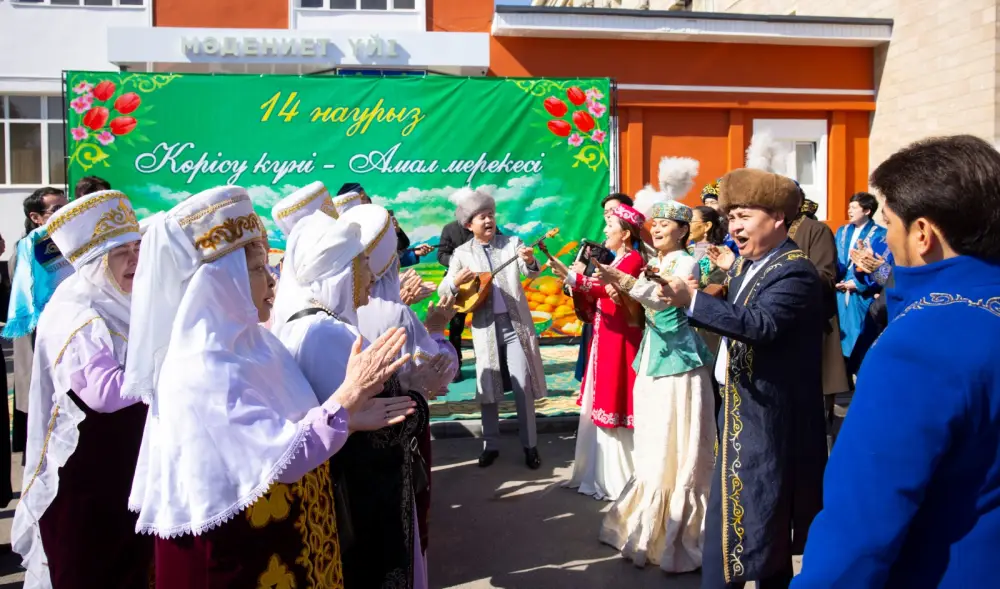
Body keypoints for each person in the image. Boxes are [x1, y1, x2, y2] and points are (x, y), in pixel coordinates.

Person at [123, 185, 414, 587]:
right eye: (259, 270)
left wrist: (349, 418)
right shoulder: (202, 366)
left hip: (278, 539)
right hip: (236, 555)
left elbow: (294, 425)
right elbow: (281, 456)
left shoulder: (257, 343)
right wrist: (347, 397)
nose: (272, 283)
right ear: (221, 282)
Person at [793, 134, 1000, 589]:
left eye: (889, 223)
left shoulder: (919, 346)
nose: (886, 236)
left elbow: (860, 526)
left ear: (922, 233)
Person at [653, 168, 827, 589]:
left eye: (744, 216)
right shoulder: (751, 264)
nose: (734, 227)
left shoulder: (794, 270)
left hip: (767, 418)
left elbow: (762, 324)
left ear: (778, 218)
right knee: (741, 519)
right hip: (740, 410)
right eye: (731, 218)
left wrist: (691, 299)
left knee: (757, 516)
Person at [272, 205, 444, 589]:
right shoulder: (331, 335)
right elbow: (379, 429)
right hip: (366, 497)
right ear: (341, 272)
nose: (370, 274)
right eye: (362, 263)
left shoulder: (305, 324)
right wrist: (419, 391)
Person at [11, 190, 150, 588]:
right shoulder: (77, 313)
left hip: (120, 476)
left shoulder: (119, 301)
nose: (135, 259)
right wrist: (175, 371)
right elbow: (104, 394)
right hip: (85, 484)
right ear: (90, 259)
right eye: (121, 251)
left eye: (137, 247)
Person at [596, 198, 715, 572]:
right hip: (652, 358)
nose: (658, 228)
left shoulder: (685, 263)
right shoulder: (658, 262)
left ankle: (678, 528)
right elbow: (643, 304)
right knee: (653, 442)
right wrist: (620, 286)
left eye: (666, 223)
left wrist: (623, 280)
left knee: (676, 442)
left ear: (683, 231)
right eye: (655, 224)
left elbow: (664, 300)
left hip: (680, 366)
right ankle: (646, 521)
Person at [342, 203, 459, 565]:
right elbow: (437, 372)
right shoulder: (395, 313)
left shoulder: (331, 308)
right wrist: (438, 327)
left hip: (342, 448)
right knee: (399, 533)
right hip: (396, 432)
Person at [439, 188, 548, 469]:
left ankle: (531, 446)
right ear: (468, 225)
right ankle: (490, 444)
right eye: (481, 217)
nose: (488, 221)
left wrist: (529, 260)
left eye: (490, 215)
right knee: (487, 385)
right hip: (484, 327)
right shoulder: (462, 253)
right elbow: (445, 287)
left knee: (522, 383)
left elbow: (531, 273)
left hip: (515, 326)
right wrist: (454, 282)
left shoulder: (512, 243)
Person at [547, 203, 644, 502]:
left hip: (621, 338)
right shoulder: (620, 258)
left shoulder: (633, 259)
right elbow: (597, 291)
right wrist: (574, 279)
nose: (604, 231)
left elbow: (605, 289)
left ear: (625, 234)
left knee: (615, 394)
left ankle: (617, 479)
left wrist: (574, 277)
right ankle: (600, 472)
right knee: (603, 392)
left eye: (610, 226)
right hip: (607, 336)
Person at [7, 187, 68, 455]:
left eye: (67, 206)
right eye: (56, 209)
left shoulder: (70, 245)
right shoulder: (28, 250)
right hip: (39, 338)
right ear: (36, 217)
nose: (65, 212)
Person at [787, 197, 852, 445]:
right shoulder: (772, 230)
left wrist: (786, 273)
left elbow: (826, 275)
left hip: (812, 322)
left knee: (814, 415)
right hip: (783, 327)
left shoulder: (816, 230)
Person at [572, 192, 635, 383]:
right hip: (600, 314)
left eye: (613, 211)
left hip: (620, 319)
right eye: (606, 212)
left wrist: (581, 276)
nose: (608, 215)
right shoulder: (605, 244)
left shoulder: (635, 252)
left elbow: (611, 283)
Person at [835, 192, 886, 367]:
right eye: (849, 207)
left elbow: (881, 266)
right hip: (840, 291)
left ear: (867, 211)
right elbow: (836, 260)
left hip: (862, 294)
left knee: (859, 335)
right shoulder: (842, 231)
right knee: (840, 337)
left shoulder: (880, 234)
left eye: (854, 207)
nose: (849, 211)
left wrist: (858, 283)